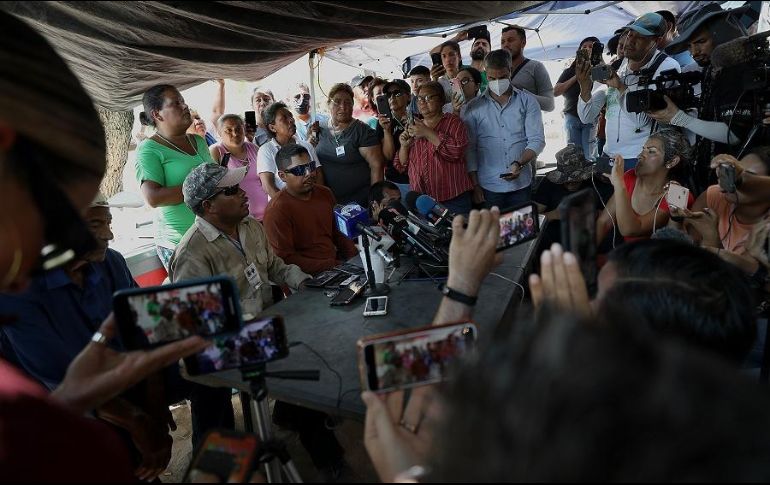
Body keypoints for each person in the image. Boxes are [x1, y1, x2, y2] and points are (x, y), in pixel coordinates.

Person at [0, 11, 208, 480]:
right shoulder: (19, 289)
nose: (102, 236)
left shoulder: (103, 262)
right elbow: (58, 389)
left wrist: (151, 412)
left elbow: (139, 336)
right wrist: (135, 421)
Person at [169, 163, 309, 319]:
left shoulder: (251, 225)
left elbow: (274, 266)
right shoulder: (191, 254)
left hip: (273, 315)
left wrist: (303, 282)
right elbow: (199, 317)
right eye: (231, 190)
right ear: (208, 206)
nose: (243, 193)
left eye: (238, 186)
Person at [647, 4, 750, 193]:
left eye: (700, 42)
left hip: (736, 179)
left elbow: (733, 134)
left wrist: (680, 118)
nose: (694, 52)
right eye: (689, 46)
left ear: (721, 35)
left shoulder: (737, 72)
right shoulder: (714, 70)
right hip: (714, 176)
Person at [577, 13, 681, 168]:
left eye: (640, 37)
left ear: (656, 41)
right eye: (630, 34)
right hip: (608, 155)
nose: (630, 41)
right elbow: (586, 117)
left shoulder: (665, 67)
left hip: (640, 157)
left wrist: (620, 86)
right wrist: (584, 86)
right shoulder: (618, 66)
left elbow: (642, 122)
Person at [136, 84, 216, 270]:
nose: (185, 106)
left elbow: (214, 177)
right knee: (203, 298)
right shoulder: (149, 149)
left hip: (211, 233)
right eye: (176, 103)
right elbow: (153, 197)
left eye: (184, 102)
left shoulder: (197, 140)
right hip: (179, 242)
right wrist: (200, 187)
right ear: (157, 114)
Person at [464, 50, 545, 209]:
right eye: (492, 78)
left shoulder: (528, 102)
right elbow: (470, 149)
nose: (497, 82)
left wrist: (519, 163)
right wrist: (475, 185)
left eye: (502, 77)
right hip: (488, 185)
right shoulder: (473, 108)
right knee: (493, 232)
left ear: (510, 71)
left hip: (521, 184)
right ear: (485, 75)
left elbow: (537, 140)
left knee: (522, 231)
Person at [263, 144, 358, 275]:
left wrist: (354, 260)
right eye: (300, 170)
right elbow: (285, 259)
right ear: (282, 176)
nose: (309, 173)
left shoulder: (325, 193)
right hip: (305, 279)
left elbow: (340, 233)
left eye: (311, 166)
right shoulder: (277, 210)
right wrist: (333, 266)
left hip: (337, 266)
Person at [672, 148, 770, 274]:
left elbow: (743, 280)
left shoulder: (765, 228)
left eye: (748, 176)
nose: (731, 180)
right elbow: (683, 252)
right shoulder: (715, 195)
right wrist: (675, 217)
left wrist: (712, 239)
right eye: (734, 170)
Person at [597, 129, 694, 243]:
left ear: (671, 162)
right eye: (643, 149)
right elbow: (603, 222)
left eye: (651, 151)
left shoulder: (677, 195)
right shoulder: (630, 176)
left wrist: (619, 185)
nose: (640, 156)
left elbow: (630, 230)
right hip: (629, 254)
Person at [394, 81, 474, 215]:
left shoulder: (454, 122)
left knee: (460, 234)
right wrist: (404, 147)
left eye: (429, 98)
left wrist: (427, 132)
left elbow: (456, 152)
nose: (423, 102)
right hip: (422, 201)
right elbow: (401, 165)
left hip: (453, 198)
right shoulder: (413, 124)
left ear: (442, 100)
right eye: (419, 98)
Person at [314, 83, 384, 207]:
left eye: (347, 102)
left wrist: (375, 201)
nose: (343, 106)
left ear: (352, 105)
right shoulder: (319, 129)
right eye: (337, 102)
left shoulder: (363, 131)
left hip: (360, 202)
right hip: (330, 202)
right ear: (329, 104)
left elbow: (376, 166)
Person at [533, 144, 611, 248]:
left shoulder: (597, 182)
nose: (570, 183)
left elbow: (611, 215)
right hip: (556, 238)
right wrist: (555, 214)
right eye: (565, 181)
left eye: (574, 180)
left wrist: (590, 213)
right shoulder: (549, 183)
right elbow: (531, 217)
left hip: (590, 234)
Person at [256, 101, 324, 199]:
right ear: (272, 127)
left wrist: (316, 199)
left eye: (291, 116)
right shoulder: (266, 150)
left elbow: (318, 174)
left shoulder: (306, 146)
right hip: (284, 206)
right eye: (284, 118)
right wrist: (289, 206)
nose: (291, 120)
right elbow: (268, 186)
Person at [209, 114, 269, 220]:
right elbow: (214, 187)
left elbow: (266, 180)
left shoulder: (253, 148)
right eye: (229, 130)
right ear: (219, 133)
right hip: (240, 219)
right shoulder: (216, 151)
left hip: (267, 214)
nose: (235, 133)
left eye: (238, 129)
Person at [554, 37, 601, 159]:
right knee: (574, 155)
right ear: (578, 51)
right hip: (572, 116)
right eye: (584, 47)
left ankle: (590, 177)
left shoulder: (598, 70)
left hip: (591, 117)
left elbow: (606, 85)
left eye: (591, 47)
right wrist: (577, 75)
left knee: (589, 155)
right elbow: (556, 91)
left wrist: (598, 62)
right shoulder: (569, 71)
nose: (587, 49)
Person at [500, 25, 555, 112]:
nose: (506, 45)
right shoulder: (497, 70)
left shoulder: (536, 67)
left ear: (523, 43)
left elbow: (550, 104)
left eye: (510, 40)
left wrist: (520, 93)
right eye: (503, 42)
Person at [376, 79, 412, 194]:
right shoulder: (382, 122)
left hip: (419, 176)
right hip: (396, 180)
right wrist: (387, 130)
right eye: (388, 95)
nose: (392, 97)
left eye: (397, 93)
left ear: (408, 97)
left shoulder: (418, 118)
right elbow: (388, 156)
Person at [186, 79, 226, 146]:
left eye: (198, 117)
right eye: (191, 120)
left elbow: (217, 112)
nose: (197, 121)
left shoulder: (209, 133)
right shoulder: (185, 149)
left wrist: (221, 85)